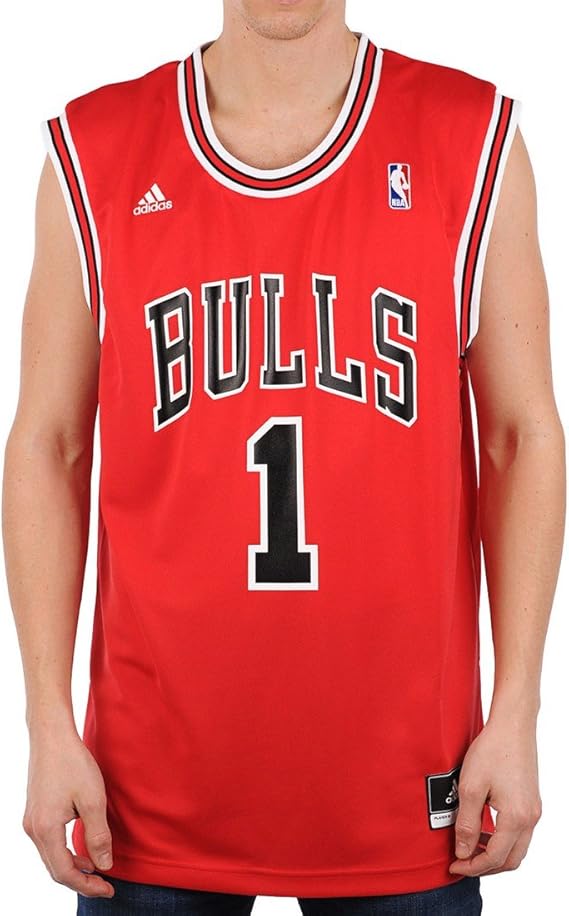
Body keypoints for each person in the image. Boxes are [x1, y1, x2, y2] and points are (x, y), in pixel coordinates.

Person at [2, 1, 565, 914]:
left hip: (410, 786)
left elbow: (519, 436)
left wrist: (517, 710)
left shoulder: (470, 138)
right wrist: (45, 724)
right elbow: (48, 443)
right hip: (143, 795)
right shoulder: (95, 147)